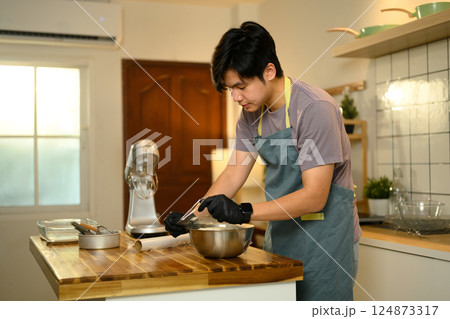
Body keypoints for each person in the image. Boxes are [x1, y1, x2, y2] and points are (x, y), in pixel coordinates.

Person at [164, 21, 362, 301]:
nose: (235, 97)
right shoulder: (250, 116)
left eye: (240, 86)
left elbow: (315, 197)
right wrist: (190, 219)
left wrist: (242, 212)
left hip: (327, 243)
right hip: (282, 237)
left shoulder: (314, 109)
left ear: (269, 71)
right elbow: (233, 174)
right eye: (230, 89)